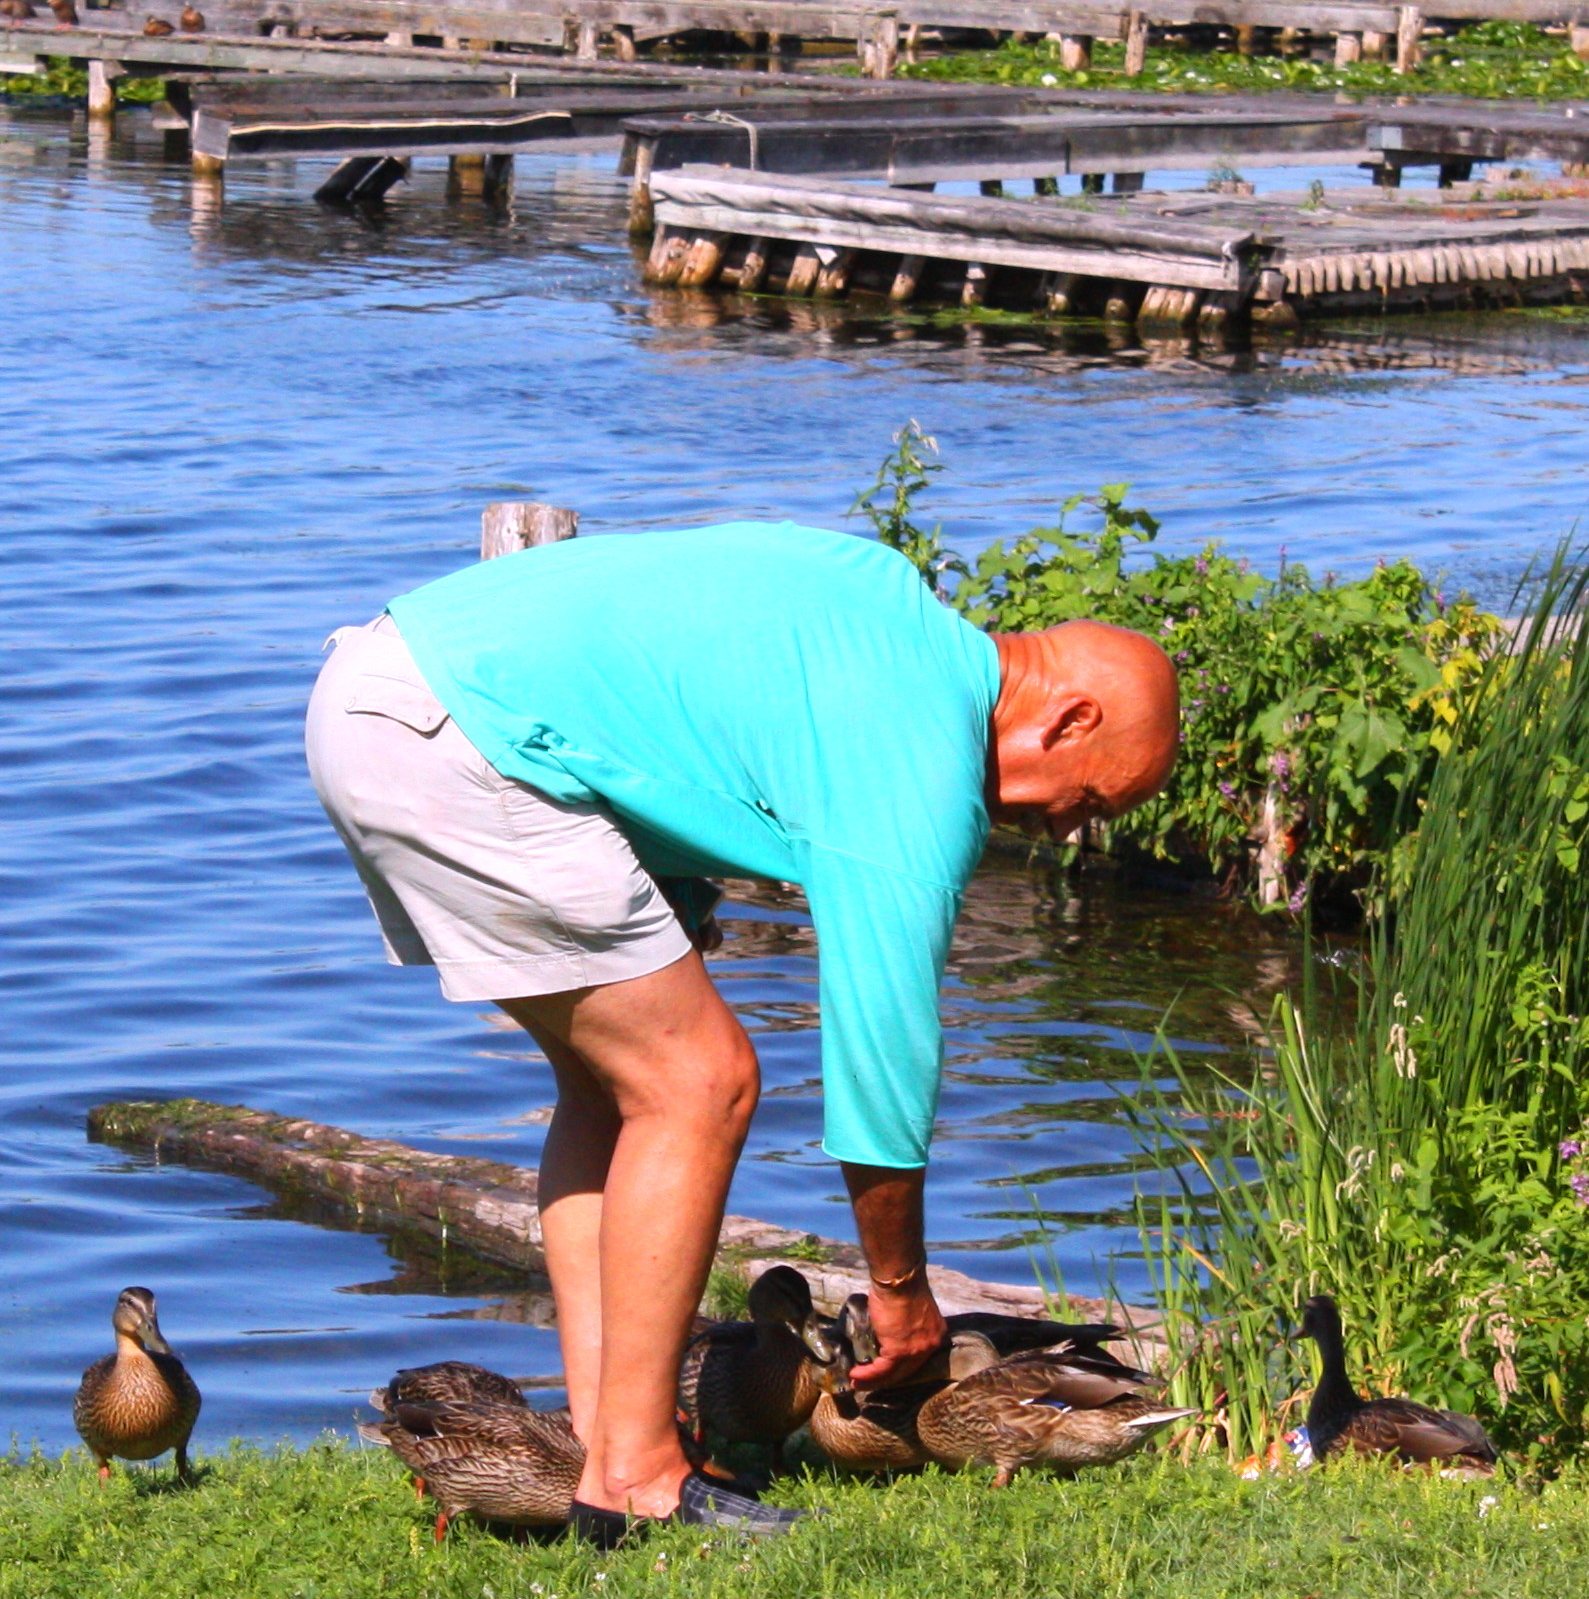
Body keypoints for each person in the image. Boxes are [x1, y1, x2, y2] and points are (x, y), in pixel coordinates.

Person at [306, 522, 1178, 1544]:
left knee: (611, 1085)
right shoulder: (925, 742)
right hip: (462, 731)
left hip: (383, 689)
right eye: (1084, 800)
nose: (1064, 830)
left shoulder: (883, 609)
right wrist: (898, 1289)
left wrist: (673, 889)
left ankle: (610, 1448)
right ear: (1069, 716)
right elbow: (881, 1049)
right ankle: (638, 1474)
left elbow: (676, 697)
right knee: (700, 1079)